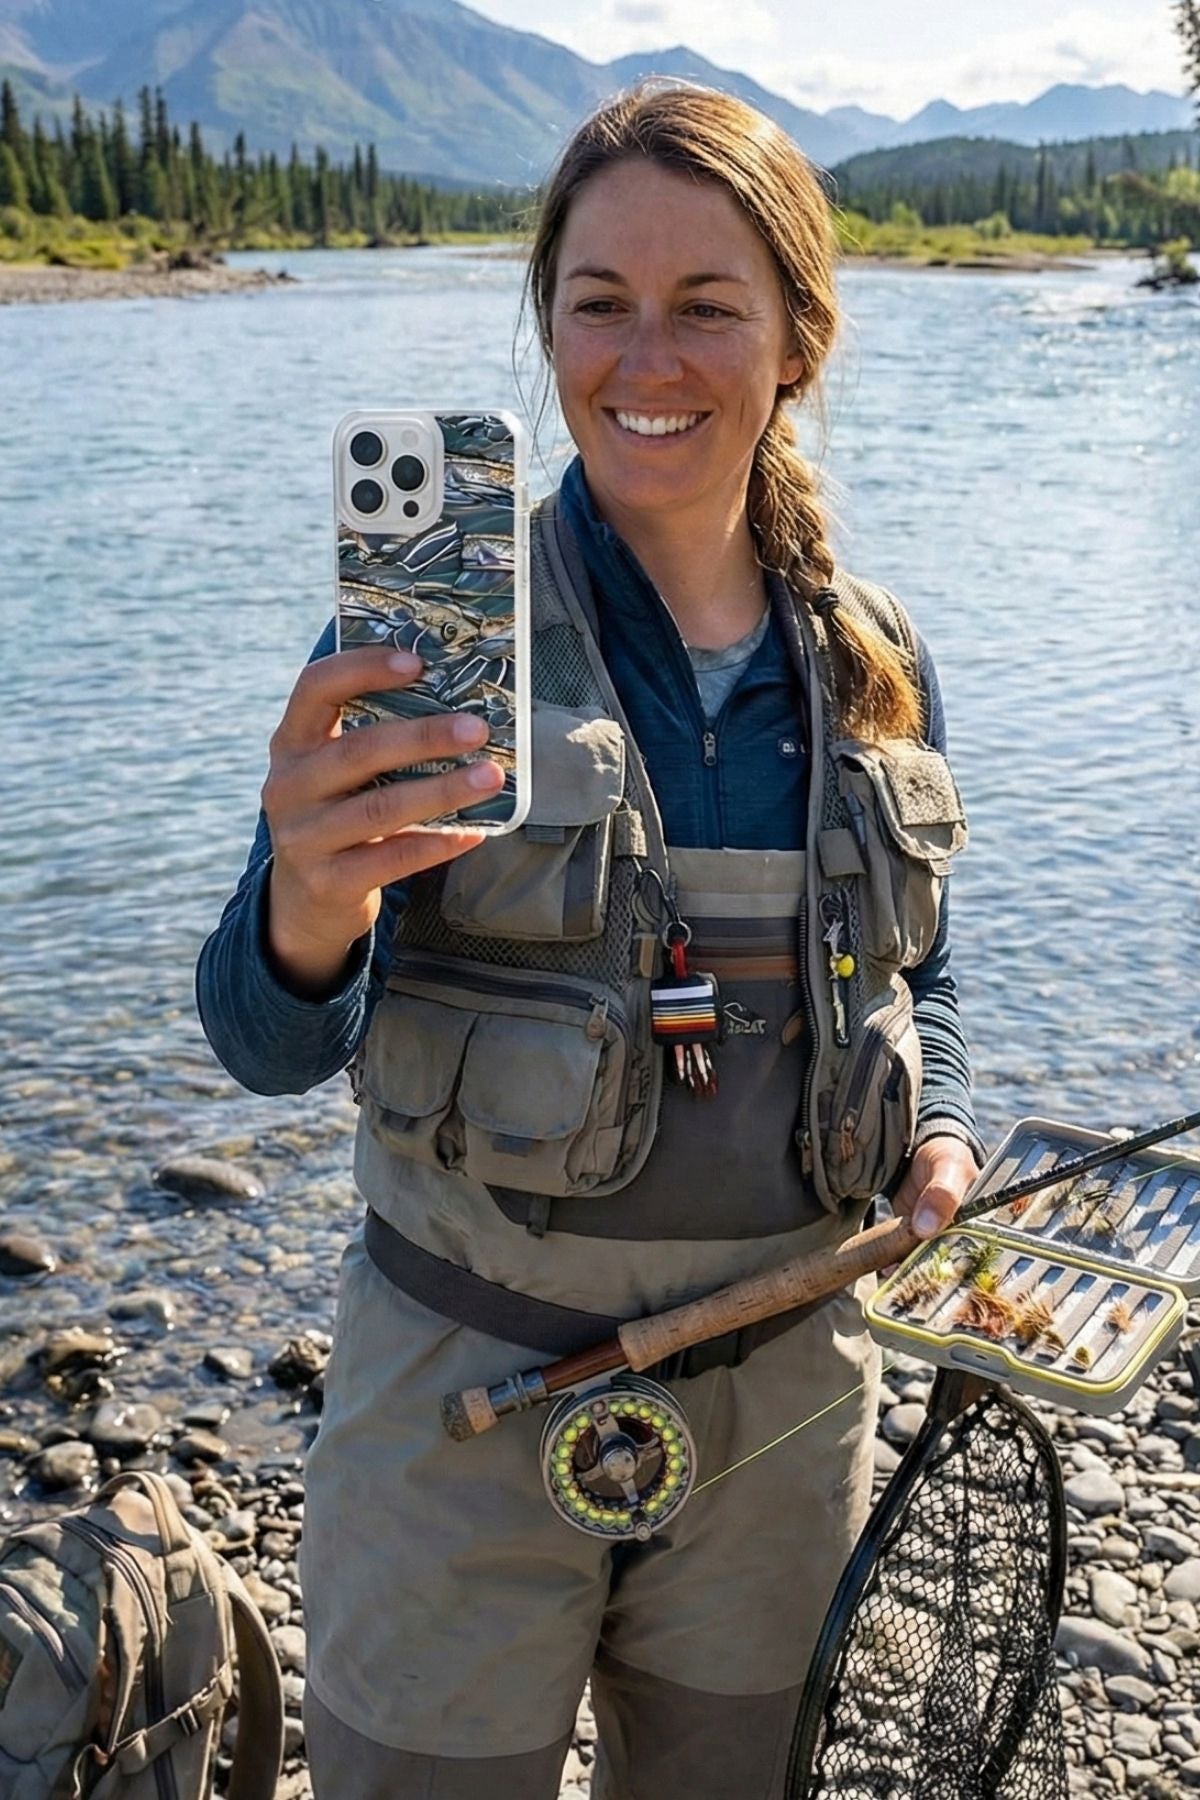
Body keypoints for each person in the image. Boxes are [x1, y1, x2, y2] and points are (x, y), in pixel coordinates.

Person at [197, 80, 982, 1800]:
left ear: (798, 339)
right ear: (547, 325)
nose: (647, 359)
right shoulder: (431, 635)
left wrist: (938, 1123)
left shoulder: (876, 655)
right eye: (599, 303)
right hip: (456, 1411)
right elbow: (260, 1041)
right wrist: (309, 908)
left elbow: (919, 973)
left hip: (787, 1411)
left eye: (708, 306)